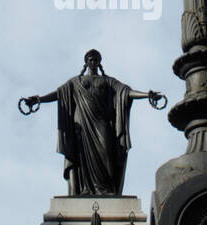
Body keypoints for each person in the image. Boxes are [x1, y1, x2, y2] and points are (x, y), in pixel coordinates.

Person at [21, 50, 163, 196]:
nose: (93, 62)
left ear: (100, 62)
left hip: (101, 122)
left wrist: (147, 95)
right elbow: (58, 94)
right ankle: (85, 189)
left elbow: (126, 93)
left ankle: (107, 190)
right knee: (82, 158)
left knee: (107, 154)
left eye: (96, 60)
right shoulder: (76, 82)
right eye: (91, 60)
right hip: (82, 124)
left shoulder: (108, 82)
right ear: (86, 62)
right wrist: (39, 99)